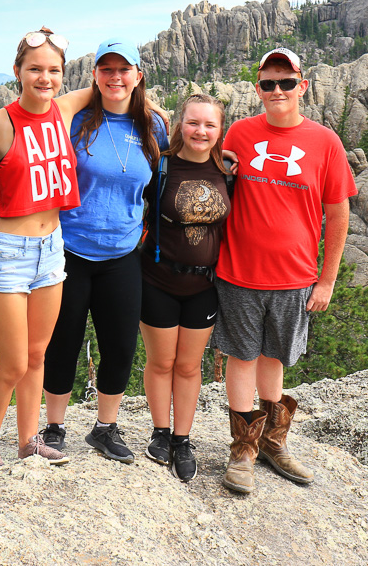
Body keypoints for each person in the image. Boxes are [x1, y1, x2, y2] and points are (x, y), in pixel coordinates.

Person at [213, 47, 357, 494]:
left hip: (294, 277)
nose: (278, 90)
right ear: (258, 89)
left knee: (274, 358)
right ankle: (242, 449)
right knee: (241, 357)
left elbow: (338, 213)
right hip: (238, 272)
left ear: (303, 86)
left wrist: (327, 278)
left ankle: (274, 442)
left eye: (287, 82)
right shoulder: (238, 133)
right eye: (269, 83)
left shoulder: (325, 142)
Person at [41, 39, 169, 463]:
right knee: (63, 342)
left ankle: (105, 428)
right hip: (71, 251)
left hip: (123, 255)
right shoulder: (75, 120)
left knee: (120, 347)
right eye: (106, 70)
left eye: (124, 70)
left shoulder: (153, 128)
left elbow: (162, 184)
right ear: (94, 75)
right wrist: (101, 93)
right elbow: (50, 107)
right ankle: (54, 427)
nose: (116, 77)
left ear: (139, 75)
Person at [0, 28, 93, 473]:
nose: (45, 78)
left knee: (38, 355)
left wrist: (153, 105)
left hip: (52, 249)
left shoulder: (62, 110)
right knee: (11, 362)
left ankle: (28, 440)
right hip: (9, 253)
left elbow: (109, 87)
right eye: (35, 69)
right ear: (18, 72)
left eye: (54, 70)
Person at [140, 94, 230, 482]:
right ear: (181, 125)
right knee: (162, 363)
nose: (201, 131)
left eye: (210, 125)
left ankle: (182, 439)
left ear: (219, 130)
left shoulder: (227, 170)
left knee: (189, 366)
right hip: (157, 279)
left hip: (204, 284)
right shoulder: (159, 165)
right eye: (194, 123)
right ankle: (160, 432)